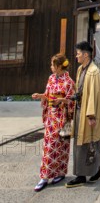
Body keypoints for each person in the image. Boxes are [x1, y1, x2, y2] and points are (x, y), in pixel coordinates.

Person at [32, 54, 75, 192]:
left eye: (52, 65)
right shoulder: (51, 78)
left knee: (62, 146)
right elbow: (48, 95)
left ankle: (60, 173)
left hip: (63, 118)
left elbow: (72, 100)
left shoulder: (69, 82)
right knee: (49, 146)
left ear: (58, 66)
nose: (51, 67)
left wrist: (61, 101)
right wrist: (41, 96)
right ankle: (44, 176)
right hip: (51, 117)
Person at [65, 41, 100, 188]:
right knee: (82, 142)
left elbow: (94, 94)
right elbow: (80, 89)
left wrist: (91, 115)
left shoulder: (93, 71)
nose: (76, 56)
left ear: (86, 54)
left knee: (90, 142)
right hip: (80, 110)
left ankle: (89, 173)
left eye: (78, 53)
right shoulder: (82, 68)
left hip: (88, 113)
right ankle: (89, 171)